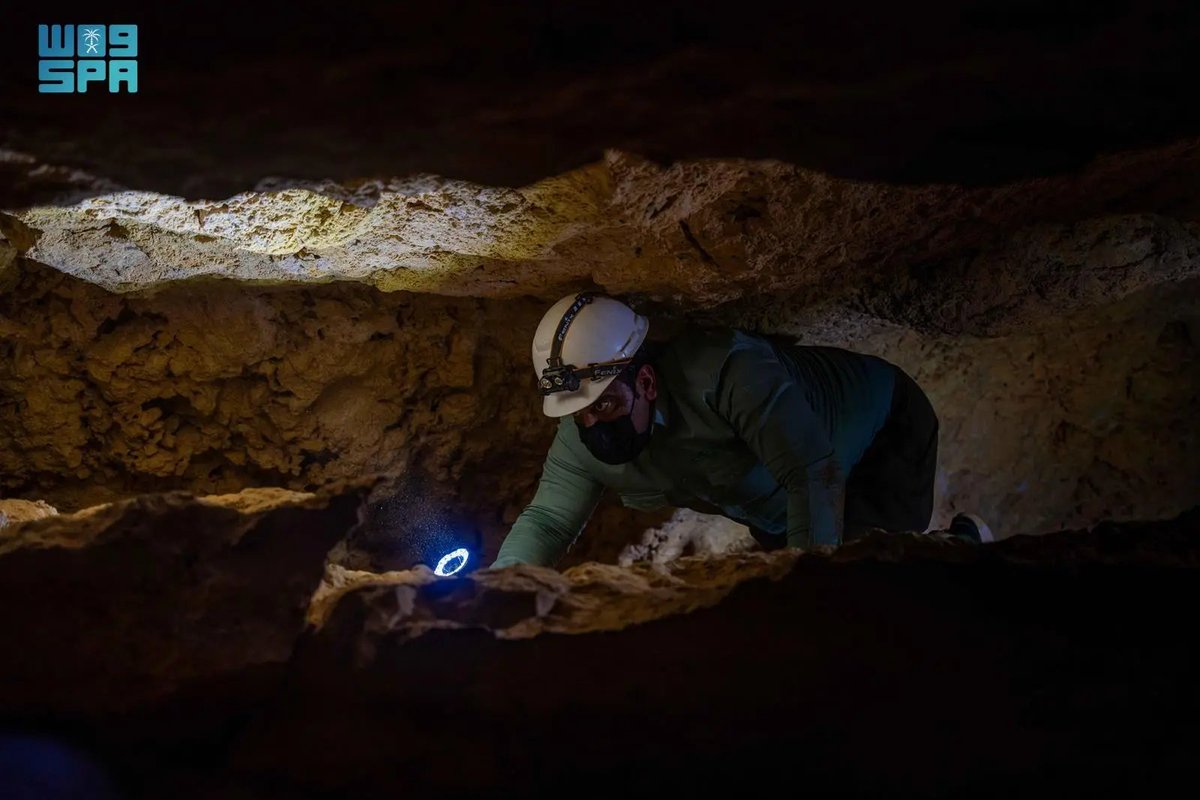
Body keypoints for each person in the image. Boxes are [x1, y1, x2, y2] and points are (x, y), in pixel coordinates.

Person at [491, 292, 991, 568]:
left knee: (882, 583)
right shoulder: (584, 431)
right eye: (577, 413)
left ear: (645, 381)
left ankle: (967, 546)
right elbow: (550, 523)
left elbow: (813, 471)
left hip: (880, 435)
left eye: (605, 405)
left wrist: (810, 594)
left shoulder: (726, 372)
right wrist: (493, 595)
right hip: (770, 500)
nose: (591, 423)